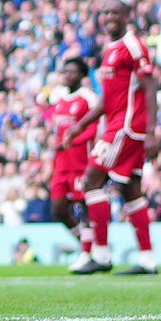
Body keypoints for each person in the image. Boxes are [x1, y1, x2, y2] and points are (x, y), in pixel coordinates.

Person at [67, 0, 160, 275]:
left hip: (127, 127)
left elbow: (150, 85)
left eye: (115, 12)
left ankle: (101, 254)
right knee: (130, 190)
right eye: (105, 12)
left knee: (91, 181)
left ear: (127, 15)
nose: (109, 17)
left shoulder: (133, 46)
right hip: (116, 124)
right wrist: (79, 126)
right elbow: (107, 100)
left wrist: (153, 130)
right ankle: (147, 260)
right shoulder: (110, 50)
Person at [42, 58, 99, 271]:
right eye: (65, 72)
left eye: (72, 72)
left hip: (81, 162)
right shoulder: (60, 98)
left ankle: (87, 252)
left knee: (84, 208)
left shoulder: (89, 98)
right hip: (61, 164)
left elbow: (94, 129)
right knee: (57, 209)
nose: (67, 75)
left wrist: (72, 141)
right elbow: (58, 130)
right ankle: (86, 246)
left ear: (82, 75)